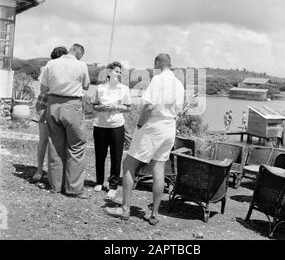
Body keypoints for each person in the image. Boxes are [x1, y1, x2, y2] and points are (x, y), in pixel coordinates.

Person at [105, 53, 185, 225]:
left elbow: (149, 105)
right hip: (169, 127)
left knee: (128, 164)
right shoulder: (179, 83)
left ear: (157, 63)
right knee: (158, 168)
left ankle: (125, 208)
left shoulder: (157, 80)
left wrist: (140, 125)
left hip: (153, 125)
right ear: (170, 64)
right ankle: (154, 214)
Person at [40, 43, 90, 199]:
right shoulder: (81, 65)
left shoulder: (51, 64)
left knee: (55, 144)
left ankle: (56, 185)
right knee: (76, 145)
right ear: (77, 52)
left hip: (53, 104)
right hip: (72, 105)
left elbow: (43, 89)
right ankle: (73, 188)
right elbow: (86, 86)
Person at [92, 61, 131, 199]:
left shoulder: (124, 89)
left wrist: (116, 107)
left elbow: (128, 107)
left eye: (120, 72)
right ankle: (99, 182)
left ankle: (113, 186)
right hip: (100, 126)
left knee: (116, 157)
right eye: (116, 71)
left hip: (117, 126)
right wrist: (103, 108)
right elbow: (94, 106)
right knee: (100, 155)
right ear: (109, 72)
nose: (118, 74)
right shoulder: (100, 88)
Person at [32, 46, 68, 182]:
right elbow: (42, 89)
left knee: (54, 141)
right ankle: (40, 169)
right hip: (45, 104)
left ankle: (49, 171)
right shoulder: (47, 68)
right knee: (44, 139)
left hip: (56, 105)